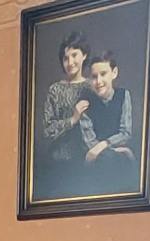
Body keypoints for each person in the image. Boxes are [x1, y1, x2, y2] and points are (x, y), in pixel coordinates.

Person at [35, 31, 93, 200]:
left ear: (84, 55)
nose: (70, 62)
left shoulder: (92, 86)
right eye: (66, 58)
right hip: (60, 163)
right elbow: (47, 130)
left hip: (87, 161)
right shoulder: (55, 90)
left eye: (74, 55)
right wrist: (72, 120)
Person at [79, 51, 138, 196]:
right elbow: (90, 144)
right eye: (94, 77)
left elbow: (126, 133)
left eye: (103, 74)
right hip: (99, 162)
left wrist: (105, 144)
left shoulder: (123, 95)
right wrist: (120, 151)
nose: (98, 81)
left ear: (114, 73)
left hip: (120, 163)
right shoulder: (86, 103)